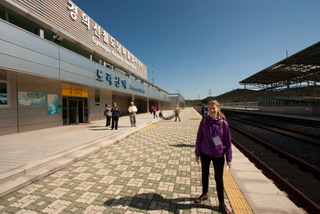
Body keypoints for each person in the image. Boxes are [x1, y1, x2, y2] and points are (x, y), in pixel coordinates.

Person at [194, 100, 232, 214]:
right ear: (207, 110)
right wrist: (197, 153)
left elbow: (229, 143)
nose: (211, 110)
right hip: (205, 153)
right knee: (204, 175)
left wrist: (229, 158)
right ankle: (204, 193)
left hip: (219, 155)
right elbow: (199, 137)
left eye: (214, 108)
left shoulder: (223, 124)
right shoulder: (204, 122)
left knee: (219, 179)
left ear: (218, 109)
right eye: (209, 108)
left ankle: (221, 203)